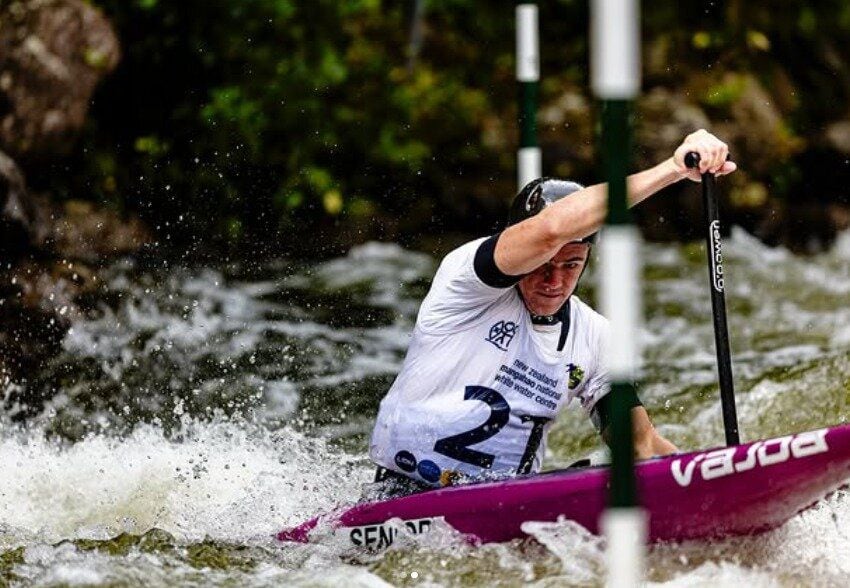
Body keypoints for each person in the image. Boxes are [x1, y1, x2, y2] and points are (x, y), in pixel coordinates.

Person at [368, 129, 736, 494]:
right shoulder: (465, 281)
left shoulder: (594, 336)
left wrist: (714, 486)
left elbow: (641, 446)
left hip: (508, 505)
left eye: (572, 265)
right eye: (543, 263)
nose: (554, 280)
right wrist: (672, 169)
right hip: (402, 491)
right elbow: (551, 231)